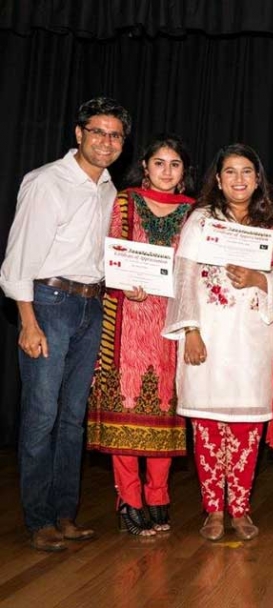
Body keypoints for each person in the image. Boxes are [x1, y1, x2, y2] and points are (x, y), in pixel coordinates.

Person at [0, 97, 132, 551]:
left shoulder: (109, 189)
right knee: (41, 416)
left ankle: (64, 514)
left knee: (74, 419)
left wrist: (127, 282)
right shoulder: (46, 182)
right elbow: (17, 259)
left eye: (115, 135)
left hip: (90, 306)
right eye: (97, 131)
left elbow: (99, 258)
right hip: (48, 303)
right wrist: (28, 321)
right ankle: (38, 520)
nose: (106, 141)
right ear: (78, 134)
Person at [163, 143, 273, 542]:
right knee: (206, 427)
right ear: (218, 180)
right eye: (230, 172)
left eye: (247, 172)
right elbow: (183, 277)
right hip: (208, 337)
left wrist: (259, 280)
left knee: (245, 429)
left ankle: (240, 508)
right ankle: (213, 511)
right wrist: (192, 331)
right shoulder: (201, 221)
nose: (239, 179)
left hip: (252, 340)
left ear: (258, 180)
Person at [86, 134, 195, 536]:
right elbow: (110, 253)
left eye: (175, 164)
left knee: (166, 410)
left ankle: (159, 495)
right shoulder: (124, 202)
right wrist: (123, 281)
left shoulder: (195, 213)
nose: (166, 171)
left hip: (172, 324)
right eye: (159, 163)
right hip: (128, 318)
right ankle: (129, 499)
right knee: (128, 407)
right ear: (145, 166)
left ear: (184, 173)